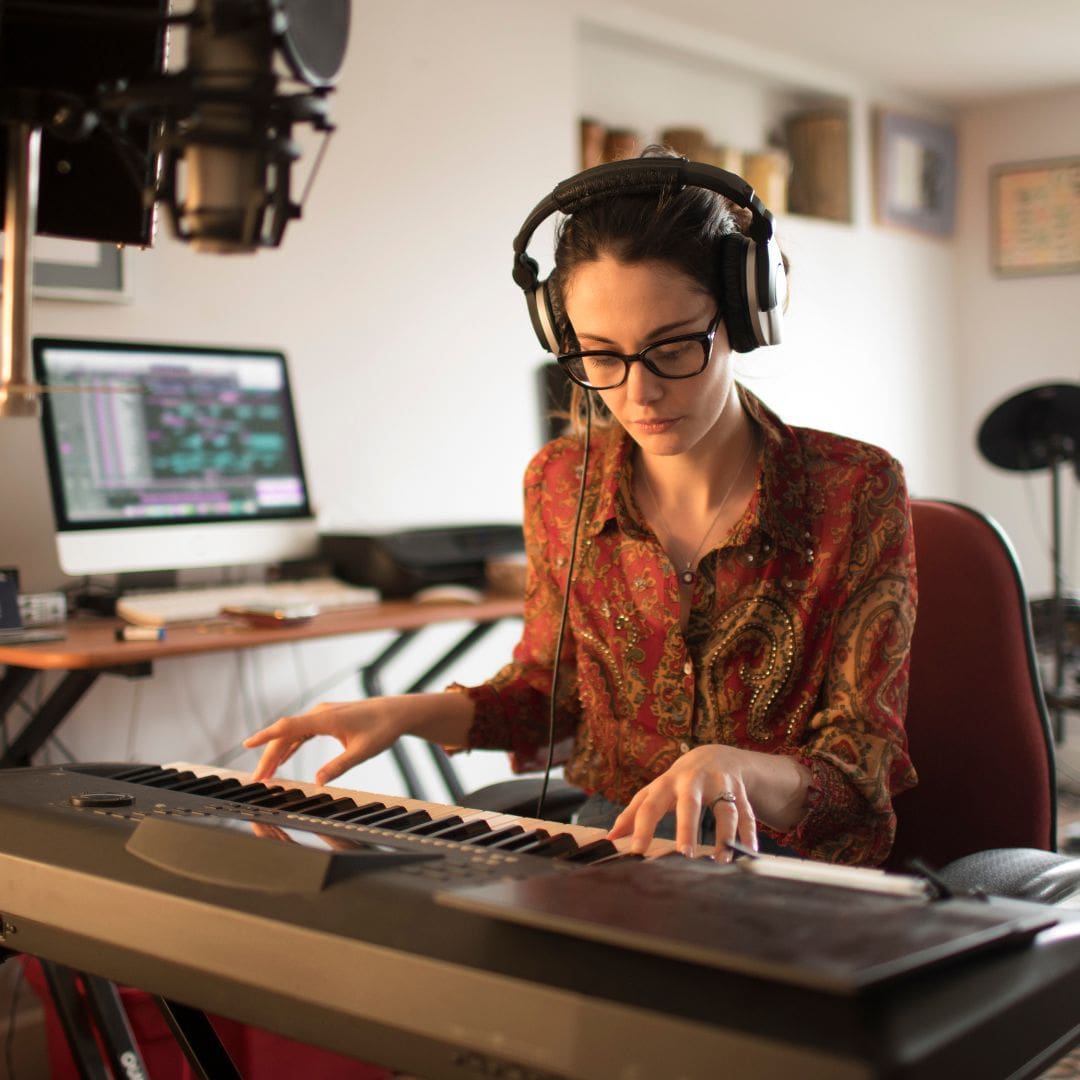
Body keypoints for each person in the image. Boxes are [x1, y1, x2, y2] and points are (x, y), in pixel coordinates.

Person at [245, 149, 917, 867]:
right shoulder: (560, 483)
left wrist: (739, 769)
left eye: (674, 348)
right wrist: (408, 711)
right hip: (612, 850)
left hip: (788, 873)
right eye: (601, 356)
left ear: (743, 319)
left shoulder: (854, 489)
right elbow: (550, 691)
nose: (638, 393)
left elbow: (858, 774)